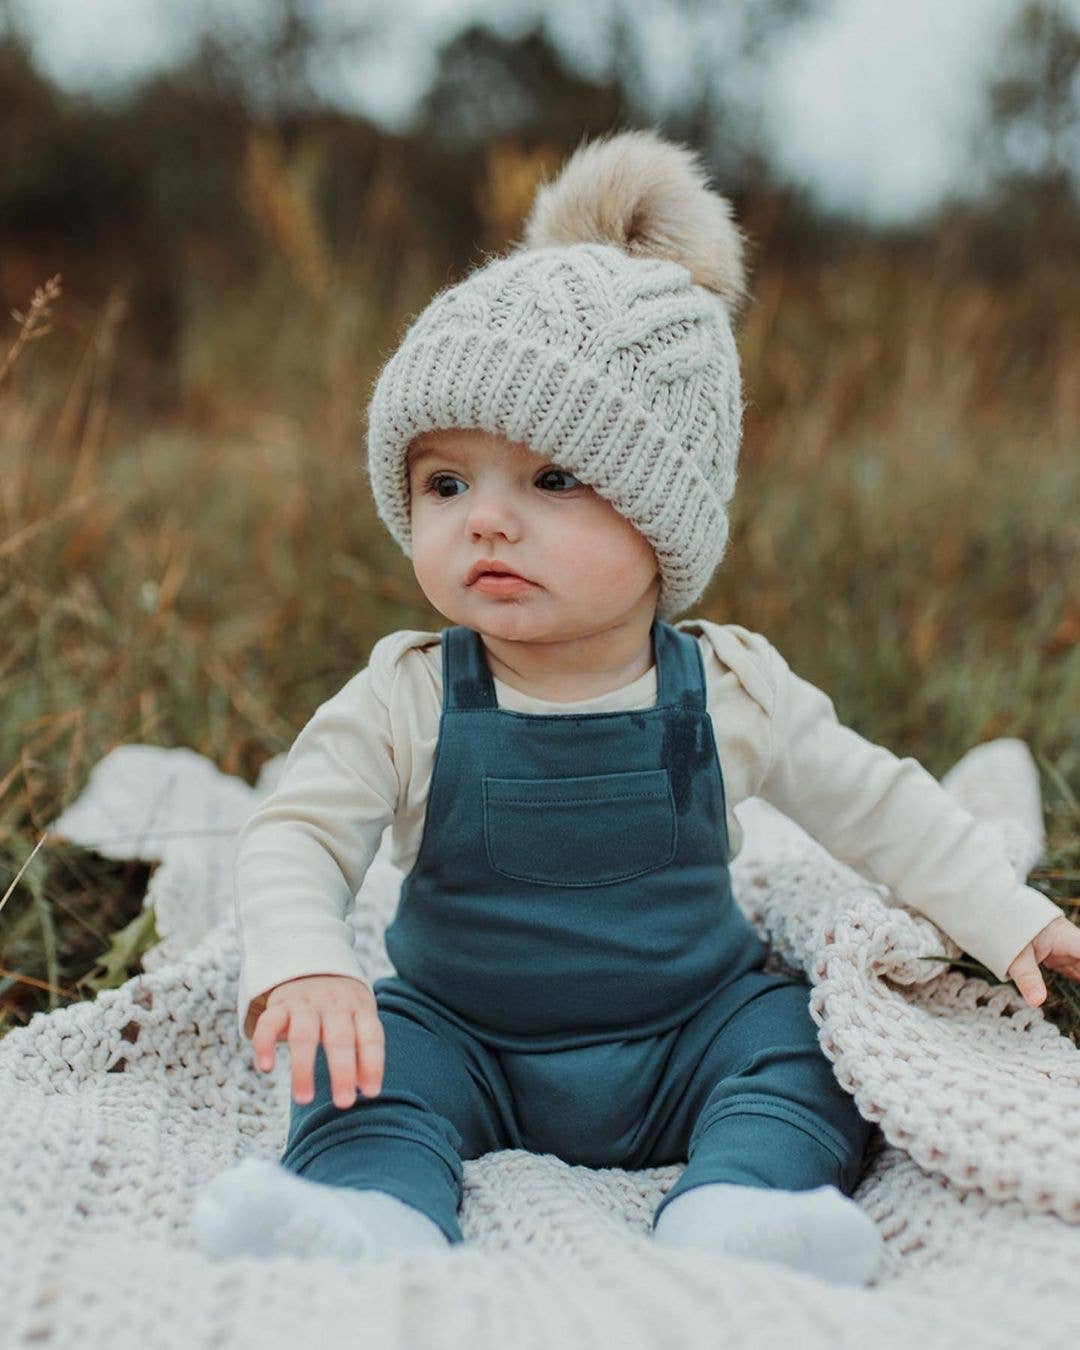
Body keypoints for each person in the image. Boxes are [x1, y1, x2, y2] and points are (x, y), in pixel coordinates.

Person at [191, 128, 1078, 1284]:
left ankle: (743, 1203)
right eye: (446, 482)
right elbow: (296, 830)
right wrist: (307, 961)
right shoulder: (407, 694)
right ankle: (371, 1212)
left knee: (803, 1051)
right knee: (359, 1066)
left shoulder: (729, 685)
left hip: (687, 1031)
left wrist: (1003, 914)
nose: (487, 520)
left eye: (552, 479)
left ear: (665, 518)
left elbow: (879, 807)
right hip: (468, 1036)